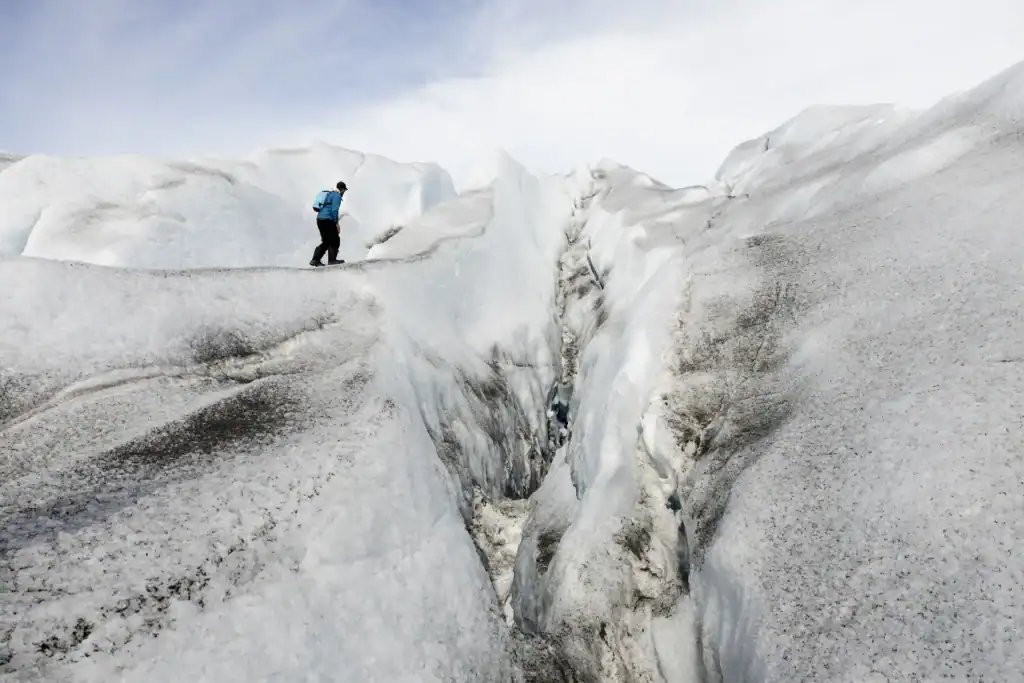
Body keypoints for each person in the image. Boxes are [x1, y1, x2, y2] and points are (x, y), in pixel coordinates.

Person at [310, 181, 348, 267]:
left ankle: (315, 259)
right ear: (342, 190)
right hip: (328, 220)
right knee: (334, 240)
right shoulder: (337, 196)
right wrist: (336, 223)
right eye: (344, 191)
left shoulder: (329, 194)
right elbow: (334, 210)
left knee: (326, 241)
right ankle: (332, 260)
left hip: (320, 220)